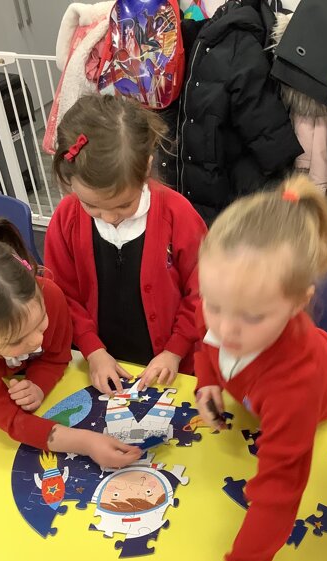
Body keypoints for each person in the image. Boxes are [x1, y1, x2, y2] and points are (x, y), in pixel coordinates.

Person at [167, 176, 327, 561]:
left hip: (325, 403)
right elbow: (207, 343)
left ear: (299, 303)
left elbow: (278, 499)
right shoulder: (229, 309)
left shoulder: (296, 383)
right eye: (214, 303)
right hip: (254, 399)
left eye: (251, 316)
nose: (226, 328)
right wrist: (207, 381)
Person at [0, 218, 141, 469]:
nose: (38, 340)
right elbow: (13, 420)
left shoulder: (50, 295)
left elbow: (56, 356)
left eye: (41, 322)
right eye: (17, 339)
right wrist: (86, 443)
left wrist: (38, 385)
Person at [45, 94, 206, 395]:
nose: (109, 217)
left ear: (146, 168)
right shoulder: (66, 219)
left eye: (123, 205)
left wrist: (174, 350)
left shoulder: (178, 215)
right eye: (91, 205)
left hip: (172, 368)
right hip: (101, 366)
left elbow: (203, 292)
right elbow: (63, 295)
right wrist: (93, 351)